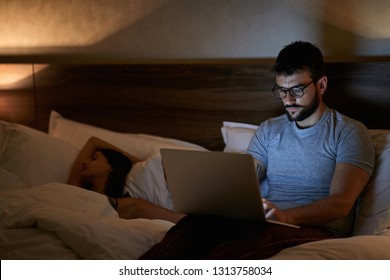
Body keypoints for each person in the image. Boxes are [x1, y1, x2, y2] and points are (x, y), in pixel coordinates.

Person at [139, 41, 375, 259]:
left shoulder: (349, 132)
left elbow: (340, 203)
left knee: (257, 240)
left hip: (317, 230)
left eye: (297, 90)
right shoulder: (270, 129)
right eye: (281, 90)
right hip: (267, 223)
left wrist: (285, 217)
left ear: (321, 84)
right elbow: (243, 181)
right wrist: (204, 193)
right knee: (195, 224)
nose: (288, 99)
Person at [67, 136, 185, 223]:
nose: (83, 162)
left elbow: (93, 142)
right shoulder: (76, 193)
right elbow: (92, 142)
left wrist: (126, 162)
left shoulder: (128, 204)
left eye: (94, 158)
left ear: (112, 167)